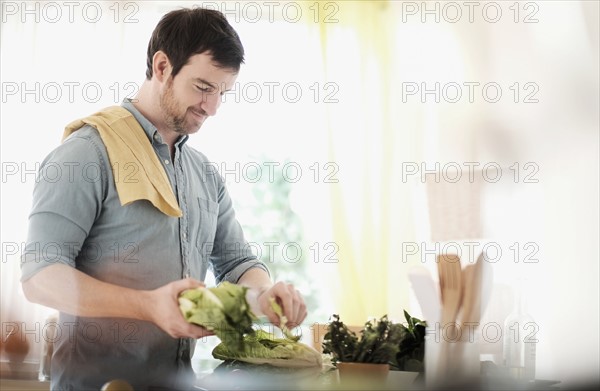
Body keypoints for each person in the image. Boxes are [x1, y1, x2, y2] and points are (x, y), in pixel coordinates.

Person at [20, 8, 306, 391]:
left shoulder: (203, 174)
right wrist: (148, 305)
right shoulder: (85, 155)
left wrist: (265, 295)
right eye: (204, 87)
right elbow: (40, 277)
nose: (213, 107)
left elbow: (238, 264)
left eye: (223, 92)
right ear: (161, 66)